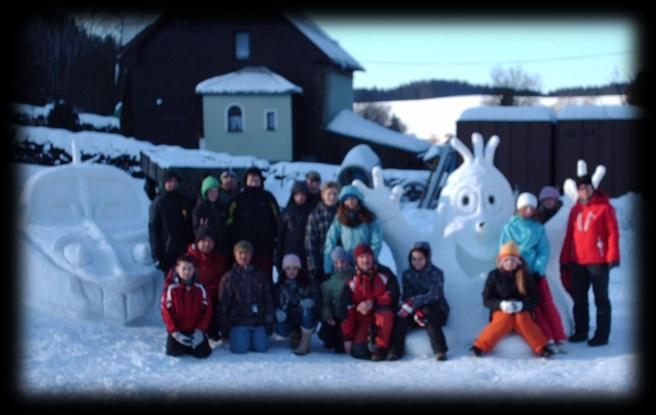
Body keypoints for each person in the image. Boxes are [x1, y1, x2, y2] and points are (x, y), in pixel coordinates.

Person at [500, 193, 567, 351]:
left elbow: (544, 250)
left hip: (535, 273)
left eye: (532, 208)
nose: (529, 211)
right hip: (517, 273)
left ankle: (559, 335)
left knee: (546, 303)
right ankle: (546, 337)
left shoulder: (538, 228)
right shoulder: (509, 227)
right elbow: (505, 248)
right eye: (526, 207)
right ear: (519, 208)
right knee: (532, 307)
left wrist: (538, 269)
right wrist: (511, 267)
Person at [560, 173, 620, 346]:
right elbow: (569, 237)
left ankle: (602, 335)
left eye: (586, 187)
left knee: (600, 299)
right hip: (578, 261)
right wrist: (565, 258)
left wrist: (613, 257)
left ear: (592, 188)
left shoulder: (605, 208)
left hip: (598, 262)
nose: (583, 191)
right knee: (579, 299)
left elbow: (612, 234)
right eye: (580, 188)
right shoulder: (575, 210)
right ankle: (581, 331)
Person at [471, 241, 554, 358]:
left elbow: (534, 298)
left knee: (522, 319)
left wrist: (522, 305)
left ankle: (542, 348)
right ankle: (480, 346)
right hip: (501, 310)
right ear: (501, 262)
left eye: (513, 260)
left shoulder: (525, 275)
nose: (510, 263)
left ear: (518, 262)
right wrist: (501, 305)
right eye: (506, 260)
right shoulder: (494, 275)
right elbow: (487, 299)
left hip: (522, 309)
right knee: (504, 319)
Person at [164, 226, 228, 347]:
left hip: (212, 299)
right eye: (203, 240)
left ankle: (213, 330)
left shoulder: (219, 259)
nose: (207, 244)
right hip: (191, 299)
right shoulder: (187, 259)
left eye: (210, 240)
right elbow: (169, 283)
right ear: (197, 241)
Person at [388, 242, 450, 361]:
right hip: (415, 310)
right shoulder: (407, 274)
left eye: (420, 259)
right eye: (414, 259)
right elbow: (407, 295)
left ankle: (440, 351)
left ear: (427, 258)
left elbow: (435, 295)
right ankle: (395, 351)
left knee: (429, 314)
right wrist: (414, 310)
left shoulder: (437, 273)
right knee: (401, 315)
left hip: (437, 310)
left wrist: (416, 304)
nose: (416, 262)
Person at [339, 243, 399, 361]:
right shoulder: (352, 280)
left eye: (368, 256)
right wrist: (348, 338)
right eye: (361, 257)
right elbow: (347, 310)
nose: (365, 260)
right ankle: (371, 344)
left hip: (381, 318)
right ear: (356, 260)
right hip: (364, 321)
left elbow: (393, 294)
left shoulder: (385, 273)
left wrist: (373, 303)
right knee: (358, 352)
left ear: (372, 257)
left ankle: (382, 348)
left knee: (385, 313)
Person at [219, 241, 274, 354]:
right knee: (240, 349)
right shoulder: (229, 277)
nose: (244, 256)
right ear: (235, 255)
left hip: (257, 321)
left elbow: (268, 301)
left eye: (247, 253)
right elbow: (223, 305)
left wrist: (268, 323)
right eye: (241, 253)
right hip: (238, 322)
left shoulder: (260, 275)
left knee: (262, 348)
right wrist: (225, 329)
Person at [227, 167, 280, 281]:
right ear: (246, 181)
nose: (254, 182)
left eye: (256, 179)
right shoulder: (238, 199)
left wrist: (274, 238)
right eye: (251, 179)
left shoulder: (268, 198)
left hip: (265, 248)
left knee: (264, 278)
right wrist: (236, 239)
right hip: (244, 248)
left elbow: (277, 219)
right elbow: (230, 221)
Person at [161, 254, 213, 358]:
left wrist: (200, 330)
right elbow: (166, 311)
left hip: (195, 330)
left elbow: (208, 310)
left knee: (203, 353)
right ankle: (182, 344)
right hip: (178, 330)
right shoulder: (171, 289)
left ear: (194, 269)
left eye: (189, 269)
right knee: (173, 352)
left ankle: (193, 344)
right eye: (183, 268)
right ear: (177, 269)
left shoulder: (200, 288)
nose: (186, 272)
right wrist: (174, 332)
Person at [323, 185, 382, 275]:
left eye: (353, 198)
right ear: (343, 202)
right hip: (347, 264)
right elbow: (331, 240)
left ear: (358, 199)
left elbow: (377, 240)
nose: (350, 201)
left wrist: (370, 260)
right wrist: (328, 267)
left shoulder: (368, 217)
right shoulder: (340, 218)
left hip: (366, 264)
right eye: (346, 199)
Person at [273, 254, 321, 355]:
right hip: (290, 318)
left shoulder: (309, 281)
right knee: (280, 326)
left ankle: (305, 342)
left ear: (299, 269)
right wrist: (276, 311)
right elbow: (274, 302)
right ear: (284, 270)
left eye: (295, 268)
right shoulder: (279, 285)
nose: (291, 271)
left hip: (306, 318)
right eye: (288, 268)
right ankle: (296, 333)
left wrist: (312, 302)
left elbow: (318, 299)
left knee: (307, 308)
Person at [149, 170, 195, 274]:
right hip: (167, 252)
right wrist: (156, 253)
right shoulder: (158, 203)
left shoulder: (185, 201)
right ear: (164, 183)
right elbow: (153, 229)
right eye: (169, 181)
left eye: (175, 181)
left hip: (185, 250)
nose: (172, 184)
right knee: (171, 283)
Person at [317, 246, 352, 353]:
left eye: (343, 262)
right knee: (326, 333)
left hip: (351, 315)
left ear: (347, 262)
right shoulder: (329, 282)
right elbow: (326, 303)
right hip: (336, 317)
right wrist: (328, 316)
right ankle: (336, 340)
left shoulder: (354, 277)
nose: (340, 265)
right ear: (333, 264)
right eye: (337, 262)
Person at [304, 181, 340, 281]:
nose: (332, 197)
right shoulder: (315, 215)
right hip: (322, 262)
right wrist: (313, 267)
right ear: (323, 195)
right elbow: (310, 243)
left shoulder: (343, 213)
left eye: (335, 194)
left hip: (342, 262)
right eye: (329, 194)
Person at [275, 181, 313, 275]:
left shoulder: (311, 212)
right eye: (297, 194)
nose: (300, 197)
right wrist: (278, 258)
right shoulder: (286, 212)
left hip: (306, 254)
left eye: (303, 194)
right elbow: (280, 237)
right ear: (293, 195)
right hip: (289, 254)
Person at [192, 175, 230, 258]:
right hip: (208, 249)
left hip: (224, 248)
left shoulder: (222, 207)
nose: (214, 194)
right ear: (205, 193)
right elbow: (196, 231)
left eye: (216, 191)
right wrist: (202, 229)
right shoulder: (199, 210)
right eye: (211, 191)